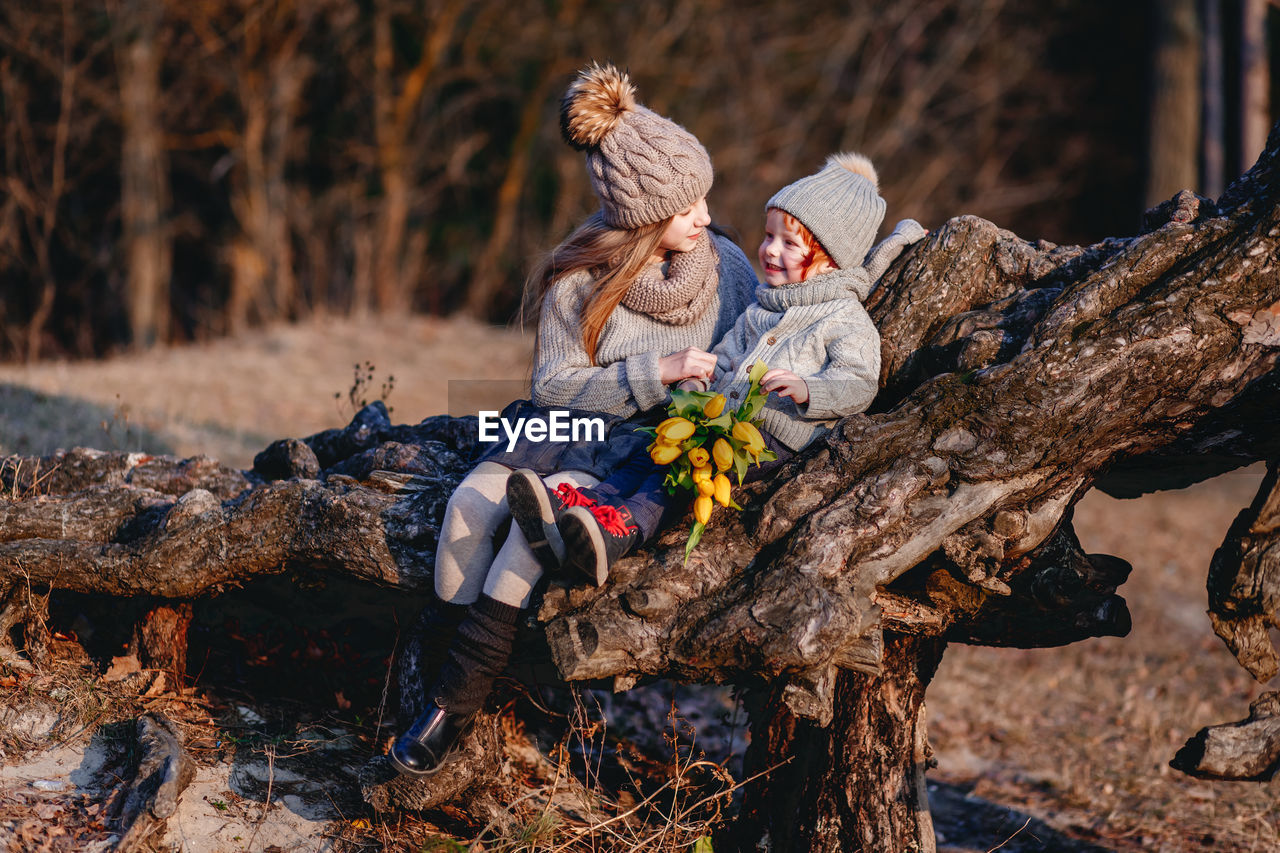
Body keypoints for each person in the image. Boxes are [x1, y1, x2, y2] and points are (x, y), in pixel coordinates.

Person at [389, 62, 758, 776]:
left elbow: (745, 364)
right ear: (646, 217)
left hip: (634, 450)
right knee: (468, 504)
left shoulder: (731, 269)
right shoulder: (578, 278)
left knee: (523, 545)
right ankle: (420, 683)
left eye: (705, 199)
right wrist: (656, 370)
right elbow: (556, 386)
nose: (707, 218)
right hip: (566, 422)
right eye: (688, 209)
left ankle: (448, 710)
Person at [510, 152, 927, 584]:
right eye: (768, 236)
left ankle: (620, 530)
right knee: (650, 454)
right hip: (718, 418)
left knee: (680, 479)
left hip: (771, 437)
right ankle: (576, 507)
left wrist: (809, 388)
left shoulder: (843, 318)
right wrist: (700, 378)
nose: (769, 251)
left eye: (789, 244)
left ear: (832, 260)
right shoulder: (762, 306)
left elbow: (860, 382)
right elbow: (728, 353)